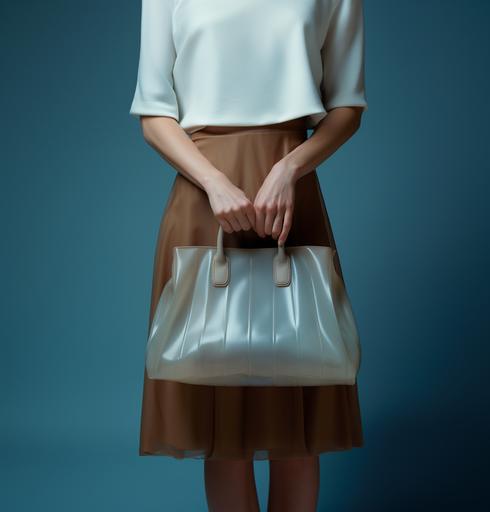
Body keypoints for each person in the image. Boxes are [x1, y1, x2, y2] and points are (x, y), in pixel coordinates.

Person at [129, 1, 368, 510]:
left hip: (290, 198)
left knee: (298, 421)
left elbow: (347, 106)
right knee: (222, 428)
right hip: (203, 197)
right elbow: (153, 114)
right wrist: (214, 182)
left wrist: (288, 170)